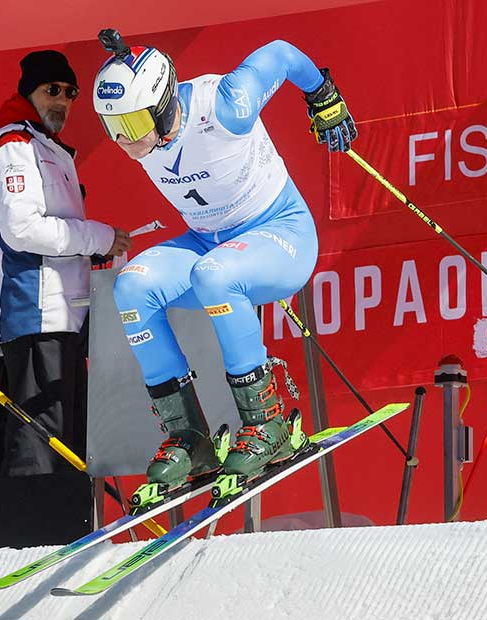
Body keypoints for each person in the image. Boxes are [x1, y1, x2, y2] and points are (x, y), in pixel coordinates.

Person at [92, 32, 357, 493]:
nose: (123, 140)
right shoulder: (145, 133)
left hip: (280, 236)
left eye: (132, 125)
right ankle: (188, 438)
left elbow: (280, 53)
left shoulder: (225, 105)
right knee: (131, 285)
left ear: (161, 105)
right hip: (208, 245)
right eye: (110, 126)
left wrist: (322, 95)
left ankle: (265, 424)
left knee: (213, 274)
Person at [0, 50, 131, 476]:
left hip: (62, 313)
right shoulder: (14, 147)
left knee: (65, 436)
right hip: (32, 310)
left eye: (71, 92)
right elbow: (22, 229)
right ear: (29, 92)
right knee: (40, 434)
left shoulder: (47, 147)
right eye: (52, 90)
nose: (62, 99)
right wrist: (99, 238)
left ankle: (62, 530)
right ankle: (30, 535)